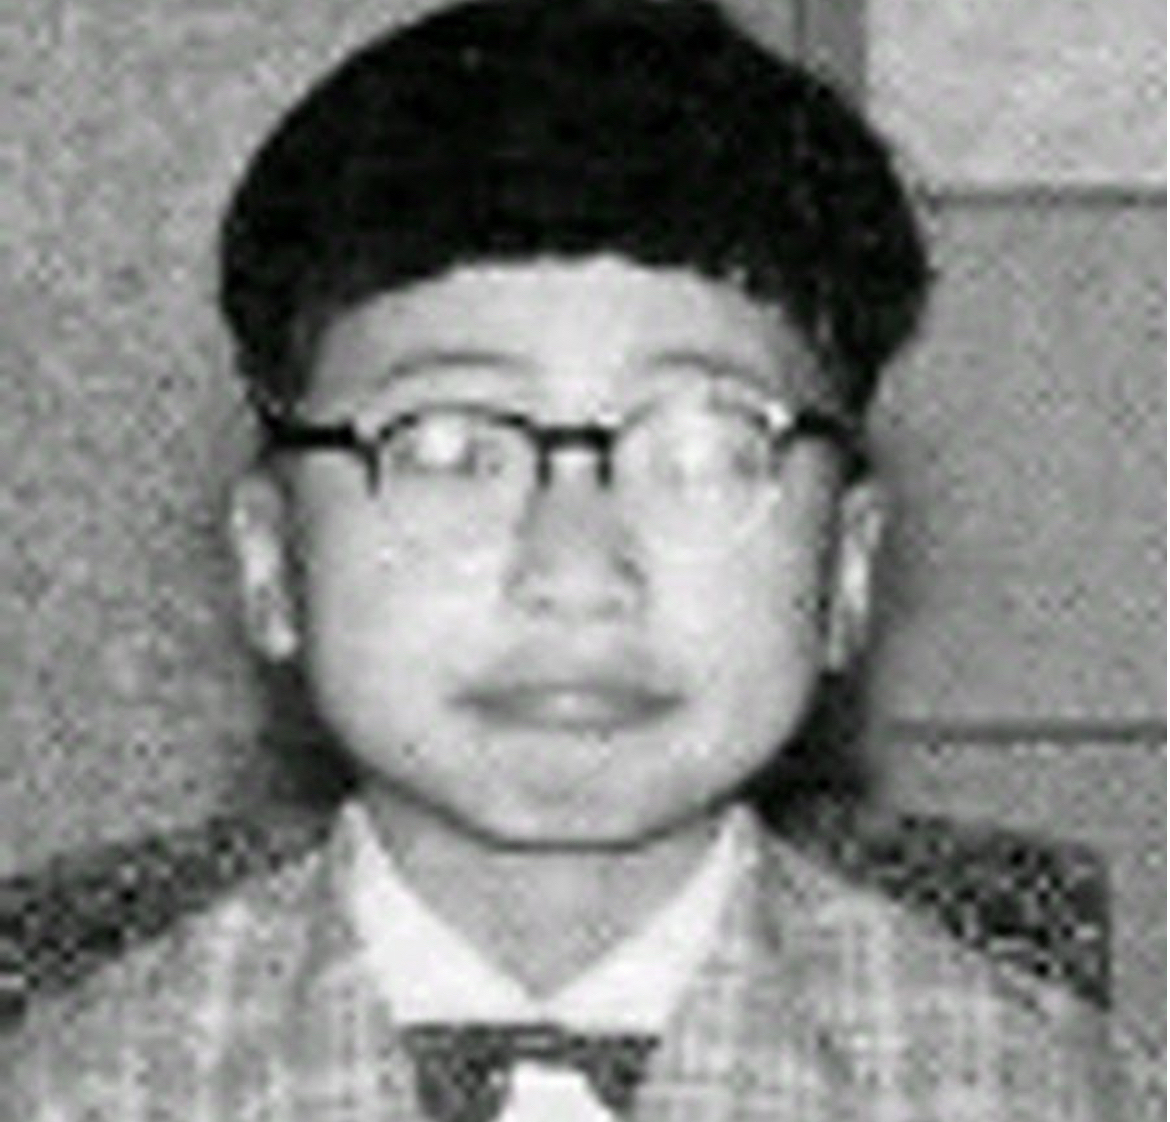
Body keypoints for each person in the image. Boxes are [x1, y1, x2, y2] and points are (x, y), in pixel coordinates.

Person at [5, 1, 1154, 1118]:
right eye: (447, 447)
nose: (576, 570)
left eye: (701, 448)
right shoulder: (82, 1089)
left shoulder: (1039, 1092)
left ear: (849, 571)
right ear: (269, 562)